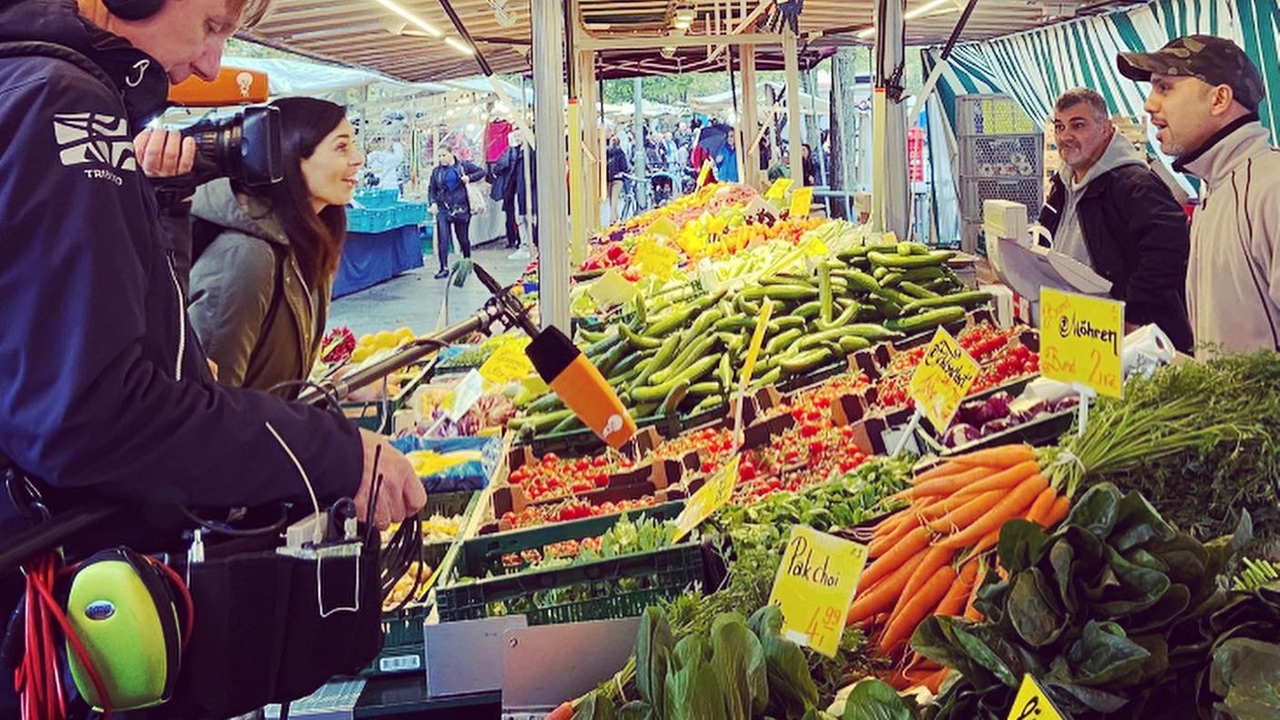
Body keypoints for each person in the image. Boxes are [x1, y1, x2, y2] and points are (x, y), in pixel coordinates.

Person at [0, 0, 425, 715]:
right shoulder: (62, 101)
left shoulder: (44, 91)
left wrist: (162, 210)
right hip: (69, 630)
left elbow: (127, 352)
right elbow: (92, 411)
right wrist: (334, 453)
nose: (211, 66)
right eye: (209, 26)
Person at [186, 97, 364, 395]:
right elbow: (213, 409)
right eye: (341, 147)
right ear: (291, 156)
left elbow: (275, 393)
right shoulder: (246, 258)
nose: (358, 159)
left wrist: (332, 389)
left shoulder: (306, 245)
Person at [1118, 35, 1280, 357]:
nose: (1149, 105)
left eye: (1165, 88)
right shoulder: (1216, 188)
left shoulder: (1271, 188)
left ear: (1219, 99)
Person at [1037, 88, 1194, 351]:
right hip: (1080, 326)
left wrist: (1134, 314)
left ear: (1106, 129)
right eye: (1059, 126)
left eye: (1078, 125)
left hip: (1131, 338)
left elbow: (1169, 250)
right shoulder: (1064, 183)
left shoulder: (1135, 184)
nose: (1065, 136)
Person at [428, 148, 485, 279]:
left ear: (451, 154)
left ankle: (467, 261)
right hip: (443, 207)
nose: (441, 158)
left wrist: (469, 178)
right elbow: (432, 188)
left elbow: (481, 172)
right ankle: (443, 267)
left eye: (444, 155)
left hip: (461, 207)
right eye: (439, 156)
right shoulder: (437, 172)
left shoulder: (463, 166)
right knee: (443, 238)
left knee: (463, 238)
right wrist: (433, 202)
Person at [606, 136, 629, 223]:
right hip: (617, 179)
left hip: (609, 178)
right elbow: (624, 167)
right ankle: (615, 219)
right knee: (613, 200)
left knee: (612, 200)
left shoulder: (606, 153)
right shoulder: (621, 152)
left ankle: (613, 220)